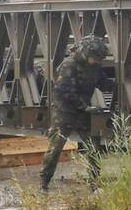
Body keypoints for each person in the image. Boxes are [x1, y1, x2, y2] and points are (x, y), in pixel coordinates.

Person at [39, 35, 108, 192]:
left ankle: (95, 184)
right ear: (85, 53)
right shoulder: (68, 65)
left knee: (93, 148)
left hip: (83, 112)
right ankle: (44, 183)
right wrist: (83, 107)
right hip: (65, 112)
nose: (97, 62)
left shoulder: (93, 67)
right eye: (95, 58)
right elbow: (65, 91)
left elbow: (103, 83)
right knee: (55, 148)